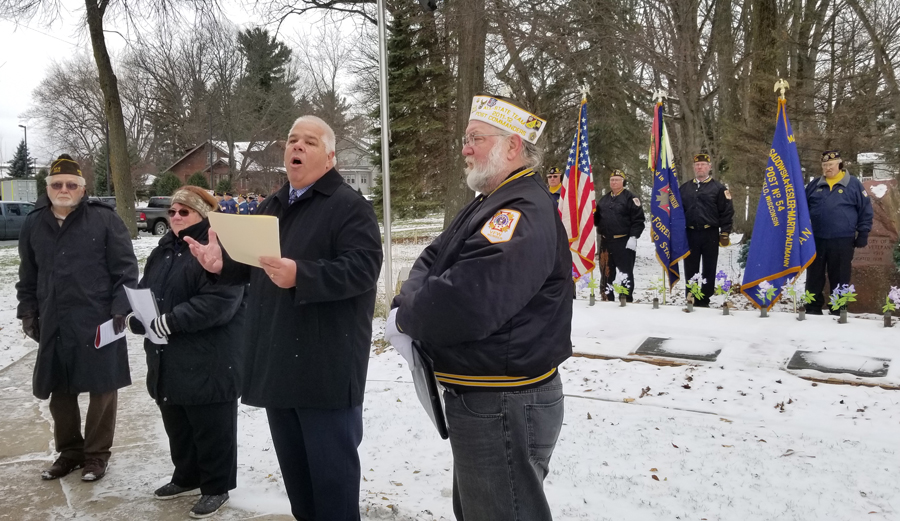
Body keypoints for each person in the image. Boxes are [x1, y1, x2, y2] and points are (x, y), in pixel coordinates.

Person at [185, 116, 382, 521]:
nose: (297, 147)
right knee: (301, 488)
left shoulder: (349, 207)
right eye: (292, 140)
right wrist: (220, 264)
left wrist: (302, 275)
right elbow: (255, 265)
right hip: (279, 364)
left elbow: (363, 269)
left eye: (309, 142)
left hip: (326, 368)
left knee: (333, 487)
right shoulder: (271, 205)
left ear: (329, 158)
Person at [387, 95, 572, 520]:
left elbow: (468, 300)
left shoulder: (520, 210)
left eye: (476, 138)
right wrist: (409, 302)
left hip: (504, 400)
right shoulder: (491, 201)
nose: (465, 148)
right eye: (465, 138)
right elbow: (433, 258)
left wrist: (407, 315)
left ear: (513, 147)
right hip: (488, 397)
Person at [16, 154, 138, 482]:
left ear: (83, 189)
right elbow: (27, 274)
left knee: (102, 391)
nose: (64, 189)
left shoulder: (105, 220)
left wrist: (119, 310)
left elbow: (126, 269)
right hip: (54, 320)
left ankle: (96, 456)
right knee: (60, 392)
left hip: (99, 320)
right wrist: (27, 310)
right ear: (48, 188)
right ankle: (70, 452)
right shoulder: (34, 222)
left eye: (72, 184)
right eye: (57, 184)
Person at [125, 186, 246, 518]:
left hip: (210, 356)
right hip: (168, 355)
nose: (175, 216)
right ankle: (186, 475)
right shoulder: (163, 251)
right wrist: (138, 316)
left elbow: (221, 302)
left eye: (184, 212)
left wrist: (171, 321)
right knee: (177, 421)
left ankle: (216, 486)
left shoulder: (221, 248)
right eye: (173, 211)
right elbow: (148, 290)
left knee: (211, 425)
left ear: (202, 215)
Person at [804, 150, 873, 315]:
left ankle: (838, 309)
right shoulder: (815, 185)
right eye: (825, 165)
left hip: (842, 239)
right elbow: (802, 210)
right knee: (814, 275)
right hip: (817, 239)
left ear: (840, 165)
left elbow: (865, 210)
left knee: (840, 276)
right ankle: (813, 308)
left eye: (831, 165)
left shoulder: (854, 184)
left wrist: (863, 232)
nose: (828, 168)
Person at [680, 153, 734, 307]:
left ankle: (704, 298)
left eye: (703, 165)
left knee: (709, 267)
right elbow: (677, 211)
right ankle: (691, 295)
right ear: (693, 168)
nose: (700, 167)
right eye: (697, 165)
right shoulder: (684, 188)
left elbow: (727, 212)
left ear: (709, 167)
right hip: (690, 233)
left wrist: (725, 232)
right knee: (690, 267)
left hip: (709, 233)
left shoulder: (719, 188)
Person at [594, 169, 645, 302]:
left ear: (623, 182)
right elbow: (596, 219)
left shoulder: (631, 198)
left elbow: (638, 221)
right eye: (612, 180)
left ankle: (625, 298)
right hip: (606, 242)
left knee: (625, 273)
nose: (614, 182)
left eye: (617, 180)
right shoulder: (604, 199)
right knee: (606, 273)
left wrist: (634, 237)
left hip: (623, 242)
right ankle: (606, 298)